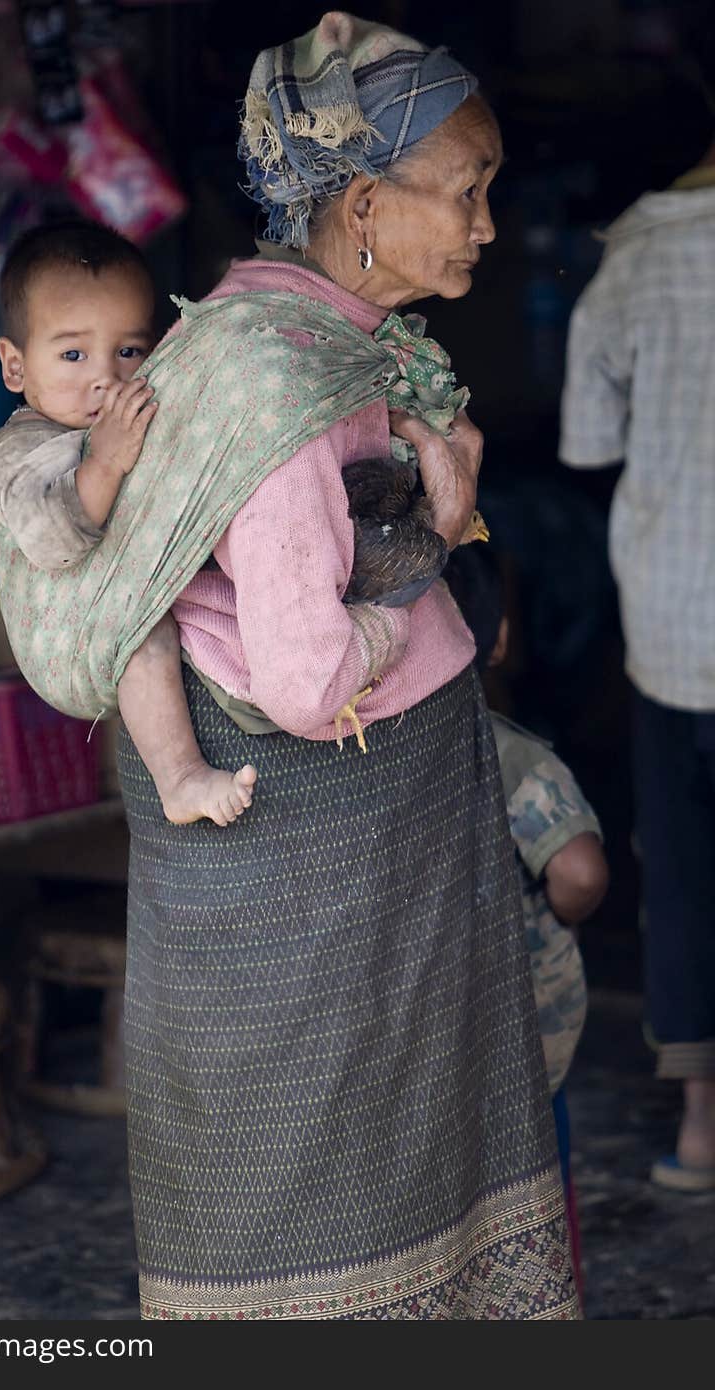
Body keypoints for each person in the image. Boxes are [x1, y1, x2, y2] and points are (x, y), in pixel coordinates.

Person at [0, 11, 579, 1319]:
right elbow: (312, 683)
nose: (491, 220)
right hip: (317, 907)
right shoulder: (280, 394)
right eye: (470, 190)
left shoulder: (317, 333)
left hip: (371, 913)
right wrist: (433, 543)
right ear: (365, 202)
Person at [559, 45, 715, 1191]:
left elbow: (587, 449)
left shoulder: (618, 277)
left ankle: (703, 1128)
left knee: (684, 867)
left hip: (672, 628)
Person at [0, 221, 257, 828]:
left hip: (133, 594)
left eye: (129, 351)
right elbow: (50, 538)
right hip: (77, 630)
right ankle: (179, 778)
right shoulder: (16, 450)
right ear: (15, 366)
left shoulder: (132, 414)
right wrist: (104, 460)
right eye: (73, 354)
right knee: (145, 639)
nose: (106, 377)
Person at [445, 544, 609, 1290]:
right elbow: (578, 870)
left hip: (425, 1064)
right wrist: (561, 909)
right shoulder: (512, 756)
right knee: (539, 1203)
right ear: (501, 638)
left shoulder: (372, 766)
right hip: (523, 1051)